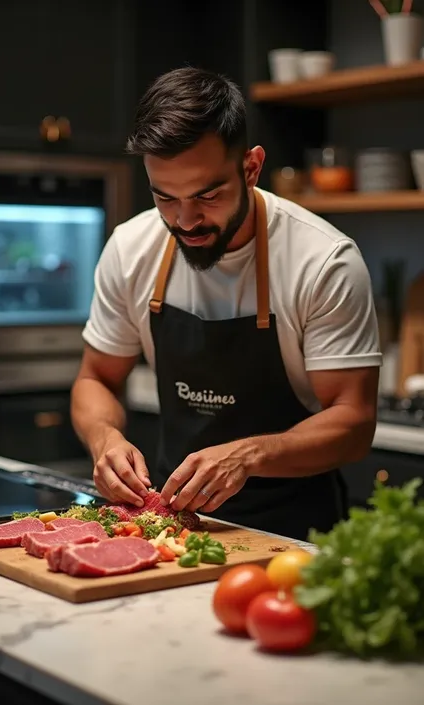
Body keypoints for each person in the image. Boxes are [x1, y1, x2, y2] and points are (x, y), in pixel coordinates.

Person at [71, 67, 382, 541]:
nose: (185, 219)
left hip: (293, 533)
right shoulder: (130, 248)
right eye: (164, 198)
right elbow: (96, 378)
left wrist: (248, 455)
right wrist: (104, 439)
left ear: (251, 167)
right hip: (170, 526)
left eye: (207, 194)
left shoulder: (322, 261)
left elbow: (354, 421)